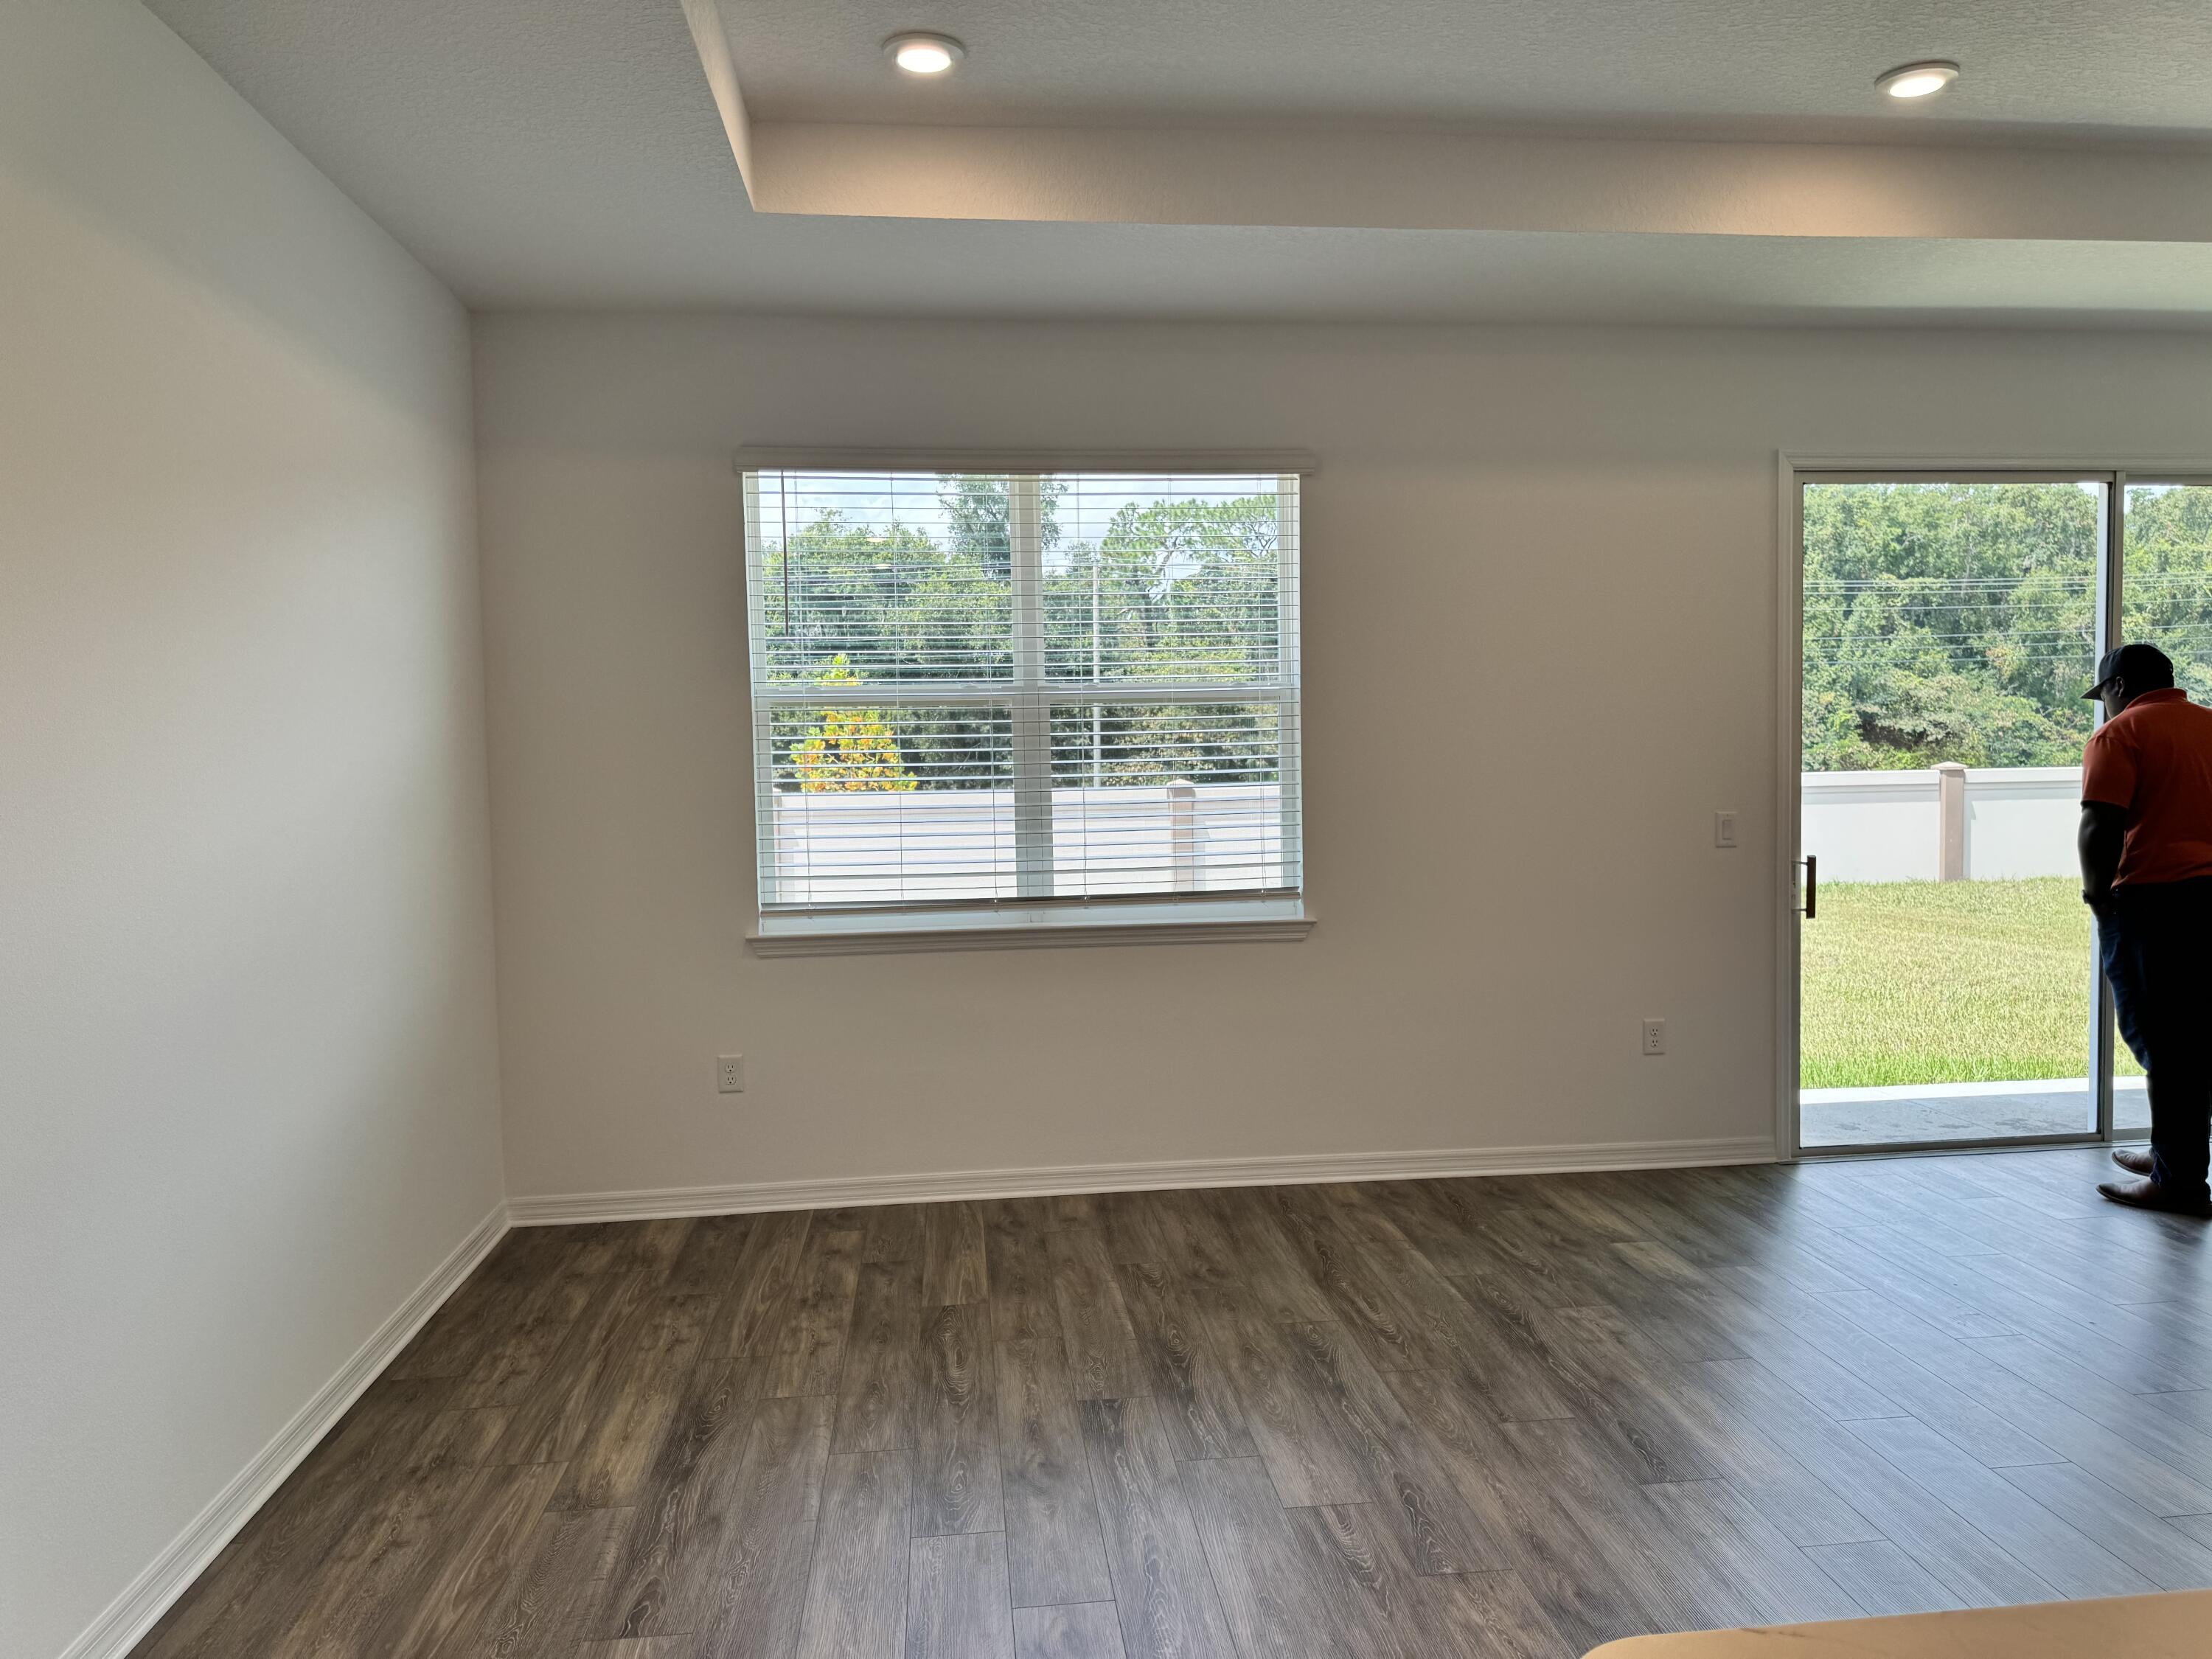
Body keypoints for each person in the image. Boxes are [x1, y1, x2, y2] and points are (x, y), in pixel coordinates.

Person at [2079, 641, 2212, 1215]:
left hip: (2157, 903)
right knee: (2200, 1036)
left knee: (2163, 1040)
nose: (2104, 706)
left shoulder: (2122, 733)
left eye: (2104, 694)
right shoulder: (2206, 725)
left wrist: (2097, 894)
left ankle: (2178, 1181)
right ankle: (2171, 1154)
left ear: (2120, 687)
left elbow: (2100, 823)